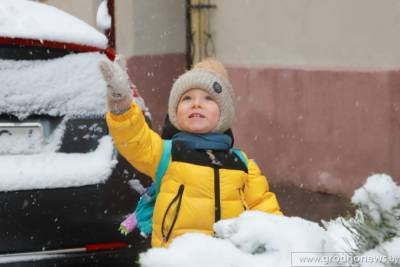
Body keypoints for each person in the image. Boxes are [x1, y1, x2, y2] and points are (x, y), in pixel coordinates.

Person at [99, 57, 282, 248]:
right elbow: (134, 139)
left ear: (224, 112)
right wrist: (121, 104)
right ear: (175, 112)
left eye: (208, 98)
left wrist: (285, 243)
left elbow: (267, 214)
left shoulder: (242, 164)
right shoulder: (167, 154)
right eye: (187, 98)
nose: (196, 104)